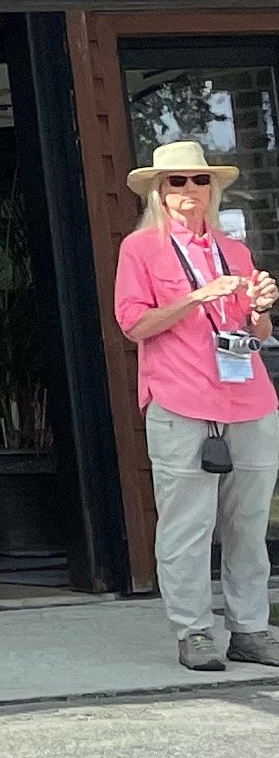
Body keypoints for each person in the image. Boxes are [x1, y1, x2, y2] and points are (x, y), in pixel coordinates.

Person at [112, 139, 279, 672]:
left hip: (248, 397)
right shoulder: (140, 248)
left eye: (199, 179)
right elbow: (133, 325)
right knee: (187, 526)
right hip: (181, 399)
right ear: (159, 192)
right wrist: (194, 297)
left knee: (249, 524)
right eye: (177, 181)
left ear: (213, 188)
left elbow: (255, 335)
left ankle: (250, 629)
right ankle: (194, 632)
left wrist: (261, 309)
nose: (189, 189)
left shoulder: (236, 252)